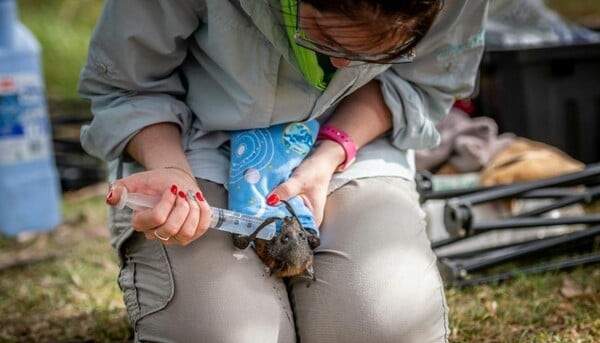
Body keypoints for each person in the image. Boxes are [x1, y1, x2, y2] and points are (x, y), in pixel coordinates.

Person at [79, 0, 488, 342]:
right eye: (324, 36)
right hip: (195, 140)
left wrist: (331, 153)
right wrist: (171, 170)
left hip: (352, 136)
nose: (342, 62)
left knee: (382, 325)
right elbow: (127, 85)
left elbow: (426, 79)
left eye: (376, 52)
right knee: (220, 332)